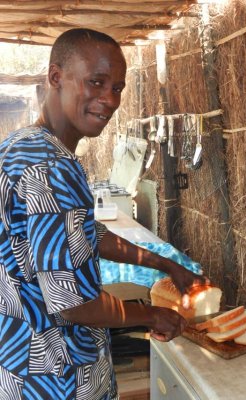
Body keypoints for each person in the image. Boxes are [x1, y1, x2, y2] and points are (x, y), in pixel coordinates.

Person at [0, 28, 209, 399]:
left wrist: (166, 265)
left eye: (116, 88)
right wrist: (149, 314)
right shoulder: (51, 167)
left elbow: (85, 234)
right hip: (57, 377)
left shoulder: (19, 146)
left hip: (17, 362)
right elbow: (75, 303)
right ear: (55, 77)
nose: (109, 100)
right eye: (96, 82)